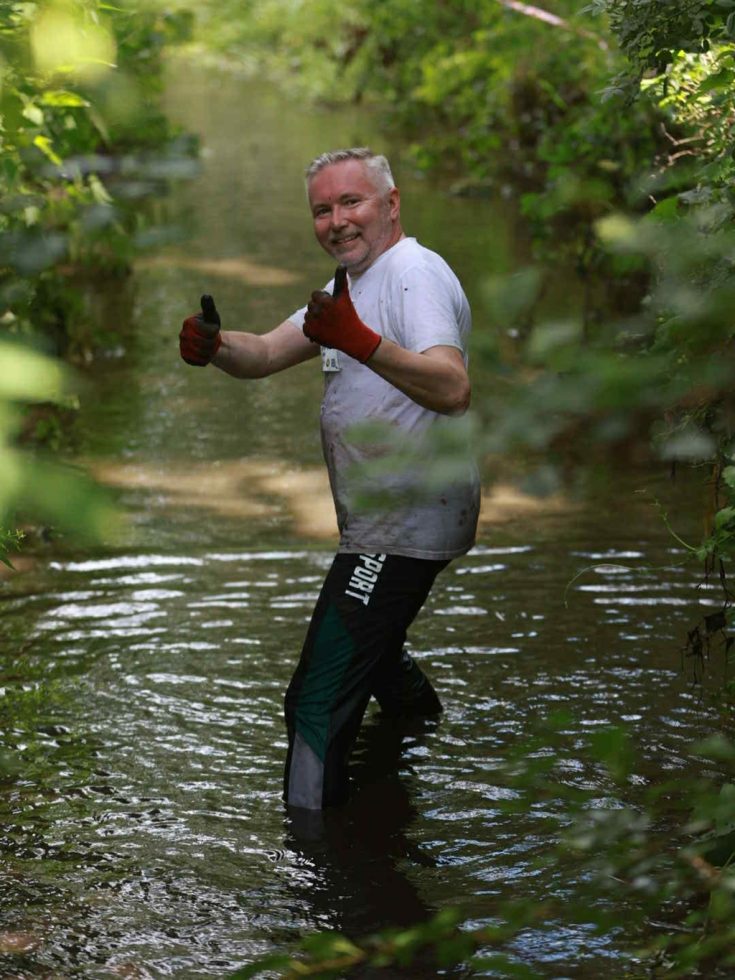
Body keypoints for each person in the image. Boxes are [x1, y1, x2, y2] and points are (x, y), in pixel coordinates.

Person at [179, 147, 480, 810]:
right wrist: (215, 345)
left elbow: (452, 386)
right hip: (380, 520)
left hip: (400, 527)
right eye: (323, 209)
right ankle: (421, 735)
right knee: (371, 650)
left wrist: (360, 341)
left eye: (352, 203)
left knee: (312, 704)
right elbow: (261, 354)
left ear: (391, 204)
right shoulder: (352, 285)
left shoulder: (411, 274)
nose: (337, 221)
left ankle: (318, 874)